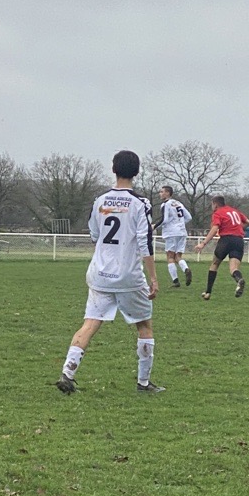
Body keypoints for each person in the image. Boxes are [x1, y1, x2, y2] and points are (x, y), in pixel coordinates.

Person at [56, 150, 164, 395]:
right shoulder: (140, 203)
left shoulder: (100, 200)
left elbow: (95, 236)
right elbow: (145, 243)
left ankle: (67, 372)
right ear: (136, 172)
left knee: (90, 323)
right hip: (128, 277)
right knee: (144, 325)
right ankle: (144, 383)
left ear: (113, 169)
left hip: (99, 275)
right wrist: (154, 278)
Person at [195, 195, 249, 300]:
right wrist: (237, 228)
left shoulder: (218, 213)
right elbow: (248, 222)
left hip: (226, 240)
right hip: (238, 240)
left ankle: (208, 292)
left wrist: (203, 243)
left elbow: (215, 229)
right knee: (234, 268)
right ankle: (239, 280)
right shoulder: (235, 211)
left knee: (214, 264)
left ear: (215, 204)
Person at [152, 185, 192, 287]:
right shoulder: (178, 203)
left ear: (168, 193)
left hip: (171, 233)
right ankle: (186, 269)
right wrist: (179, 223)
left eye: (162, 192)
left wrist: (154, 226)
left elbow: (164, 220)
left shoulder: (166, 204)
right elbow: (189, 217)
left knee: (170, 256)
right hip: (182, 232)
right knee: (178, 256)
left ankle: (176, 281)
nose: (160, 194)